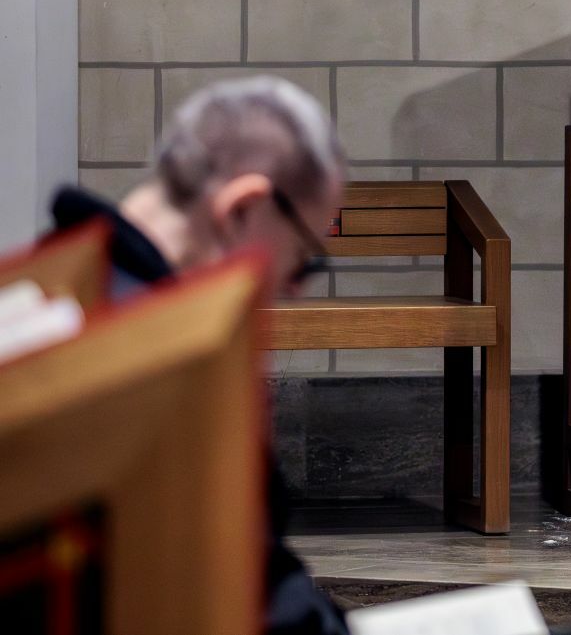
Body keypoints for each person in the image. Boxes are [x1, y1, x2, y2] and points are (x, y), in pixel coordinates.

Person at [47, 77, 349, 635]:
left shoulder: (52, 291)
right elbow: (248, 596)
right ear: (241, 210)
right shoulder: (165, 363)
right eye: (304, 259)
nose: (295, 291)